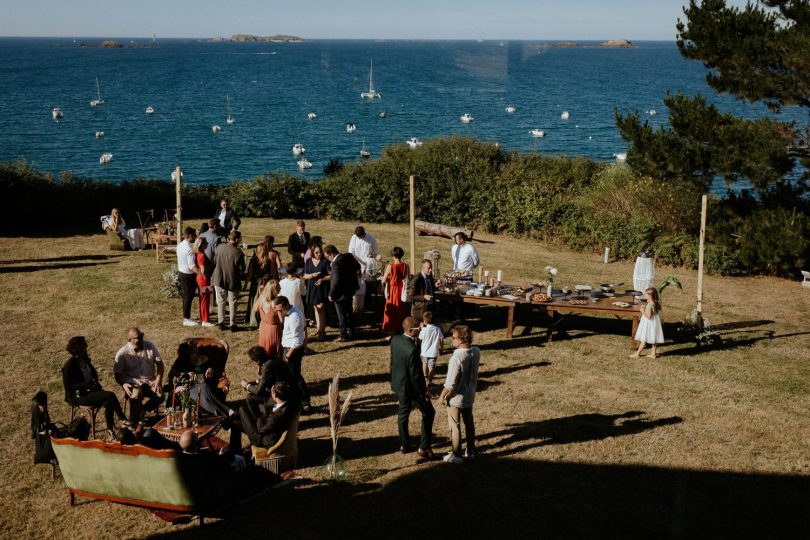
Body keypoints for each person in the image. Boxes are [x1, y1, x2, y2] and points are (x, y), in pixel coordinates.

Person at [62, 336, 126, 440]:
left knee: (108, 402)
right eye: (84, 345)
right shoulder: (70, 365)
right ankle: (123, 419)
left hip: (91, 391)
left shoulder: (86, 359)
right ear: (77, 348)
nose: (86, 346)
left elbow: (94, 374)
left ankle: (110, 430)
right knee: (110, 395)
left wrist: (93, 382)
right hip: (79, 396)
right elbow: (69, 386)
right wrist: (86, 385)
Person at [390, 317, 435, 461]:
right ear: (411, 330)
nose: (420, 330)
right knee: (429, 412)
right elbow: (416, 376)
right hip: (412, 389)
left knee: (403, 413)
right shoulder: (412, 350)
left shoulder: (395, 340)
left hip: (400, 384)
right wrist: (424, 391)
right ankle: (424, 446)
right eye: (418, 328)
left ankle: (404, 444)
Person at [438, 324, 480, 464]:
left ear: (461, 339)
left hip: (456, 398)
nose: (452, 340)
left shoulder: (457, 357)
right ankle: (471, 451)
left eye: (454, 337)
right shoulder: (476, 351)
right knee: (469, 423)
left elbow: (450, 383)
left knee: (454, 426)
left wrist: (442, 395)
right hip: (469, 395)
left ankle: (456, 455)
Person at [166, 341, 236, 419]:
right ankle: (226, 412)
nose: (197, 350)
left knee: (204, 387)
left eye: (196, 348)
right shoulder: (181, 361)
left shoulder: (206, 358)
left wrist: (211, 369)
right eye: (193, 349)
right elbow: (172, 375)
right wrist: (187, 374)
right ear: (187, 353)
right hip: (189, 389)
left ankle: (222, 414)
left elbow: (219, 372)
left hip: (206, 387)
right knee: (201, 391)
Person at [113, 327, 164, 427]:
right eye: (138, 337)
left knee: (160, 396)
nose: (141, 339)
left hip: (150, 380)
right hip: (134, 381)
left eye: (141, 336)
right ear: (129, 340)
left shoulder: (150, 346)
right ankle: (134, 422)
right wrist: (123, 384)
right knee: (135, 395)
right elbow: (117, 373)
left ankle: (143, 411)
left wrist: (158, 380)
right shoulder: (122, 353)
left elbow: (160, 364)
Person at [238, 382, 300, 448]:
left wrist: (260, 418)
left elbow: (261, 429)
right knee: (236, 421)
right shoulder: (288, 404)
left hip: (263, 439)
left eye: (271, 392)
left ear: (275, 395)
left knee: (242, 410)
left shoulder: (276, 416)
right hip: (270, 431)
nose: (271, 394)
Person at [276, 295, 311, 413]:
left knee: (295, 377)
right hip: (289, 348)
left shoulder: (294, 317)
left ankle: (305, 402)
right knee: (292, 377)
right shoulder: (289, 312)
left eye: (280, 309)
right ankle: (298, 400)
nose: (279, 312)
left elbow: (297, 341)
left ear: (285, 305)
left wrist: (287, 356)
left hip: (293, 351)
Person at [241, 346, 294, 419]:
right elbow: (270, 378)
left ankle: (259, 420)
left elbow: (259, 391)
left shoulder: (266, 367)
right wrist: (255, 382)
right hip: (288, 391)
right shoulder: (275, 359)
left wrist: (246, 385)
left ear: (257, 360)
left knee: (250, 397)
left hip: (279, 396)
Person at [325, 244, 360, 342]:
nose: (328, 259)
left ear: (331, 254)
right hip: (350, 290)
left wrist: (331, 293)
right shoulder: (348, 256)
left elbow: (336, 280)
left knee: (341, 315)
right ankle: (352, 332)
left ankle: (343, 335)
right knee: (349, 312)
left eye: (328, 257)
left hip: (339, 293)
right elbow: (358, 266)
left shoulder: (336, 263)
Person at [212, 230, 246, 332]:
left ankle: (221, 322)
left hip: (219, 277)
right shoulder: (238, 252)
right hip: (232, 279)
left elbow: (214, 261)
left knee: (221, 301)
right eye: (239, 239)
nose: (240, 241)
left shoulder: (219, 247)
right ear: (236, 239)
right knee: (233, 302)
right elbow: (242, 269)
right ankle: (233, 324)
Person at [246, 236, 282, 327]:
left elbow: (250, 274)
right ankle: (257, 320)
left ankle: (255, 320)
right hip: (261, 283)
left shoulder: (261, 261)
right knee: (260, 300)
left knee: (258, 301)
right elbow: (274, 272)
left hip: (262, 283)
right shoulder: (260, 260)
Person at [381, 246, 411, 337]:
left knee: (392, 309)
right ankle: (401, 327)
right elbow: (407, 278)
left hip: (393, 290)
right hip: (402, 290)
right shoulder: (406, 266)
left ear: (393, 255)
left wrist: (387, 279)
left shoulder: (390, 266)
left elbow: (384, 280)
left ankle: (391, 328)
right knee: (401, 309)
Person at [303, 242, 331, 340]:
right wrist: (312, 275)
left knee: (321, 308)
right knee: (315, 308)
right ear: (312, 253)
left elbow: (331, 275)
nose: (319, 254)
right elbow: (305, 275)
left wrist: (322, 279)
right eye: (316, 252)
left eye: (320, 252)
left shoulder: (325, 262)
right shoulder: (308, 261)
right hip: (312, 286)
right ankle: (319, 329)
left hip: (321, 287)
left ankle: (322, 331)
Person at [631, 287, 665, 359]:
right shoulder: (655, 302)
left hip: (649, 323)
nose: (644, 295)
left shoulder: (650, 305)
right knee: (654, 338)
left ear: (650, 296)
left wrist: (643, 311)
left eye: (646, 294)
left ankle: (637, 354)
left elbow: (649, 316)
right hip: (655, 322)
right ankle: (653, 354)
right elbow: (658, 308)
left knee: (644, 339)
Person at [177, 227, 200, 327]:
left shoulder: (180, 245)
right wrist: (201, 273)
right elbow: (192, 266)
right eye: (194, 235)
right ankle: (186, 318)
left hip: (181, 272)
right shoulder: (189, 249)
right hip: (188, 275)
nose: (195, 237)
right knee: (188, 297)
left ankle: (186, 316)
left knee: (186, 296)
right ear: (190, 235)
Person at [256, 279, 283, 359]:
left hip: (263, 326)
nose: (280, 288)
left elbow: (255, 309)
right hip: (273, 329)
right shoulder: (277, 302)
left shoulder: (261, 298)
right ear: (275, 290)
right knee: (274, 350)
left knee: (263, 347)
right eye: (279, 287)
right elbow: (281, 320)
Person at [193, 237, 215, 327]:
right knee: (205, 300)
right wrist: (207, 278)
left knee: (203, 299)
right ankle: (205, 320)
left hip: (201, 279)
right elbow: (203, 269)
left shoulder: (199, 253)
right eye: (205, 243)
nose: (207, 244)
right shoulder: (201, 255)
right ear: (201, 244)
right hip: (204, 280)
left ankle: (204, 318)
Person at [418, 312, 443, 390]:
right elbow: (441, 339)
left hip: (424, 352)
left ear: (425, 321)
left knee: (424, 364)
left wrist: (422, 328)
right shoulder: (437, 329)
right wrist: (441, 348)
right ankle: (429, 379)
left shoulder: (424, 330)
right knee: (431, 367)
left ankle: (425, 377)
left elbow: (420, 337)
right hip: (434, 352)